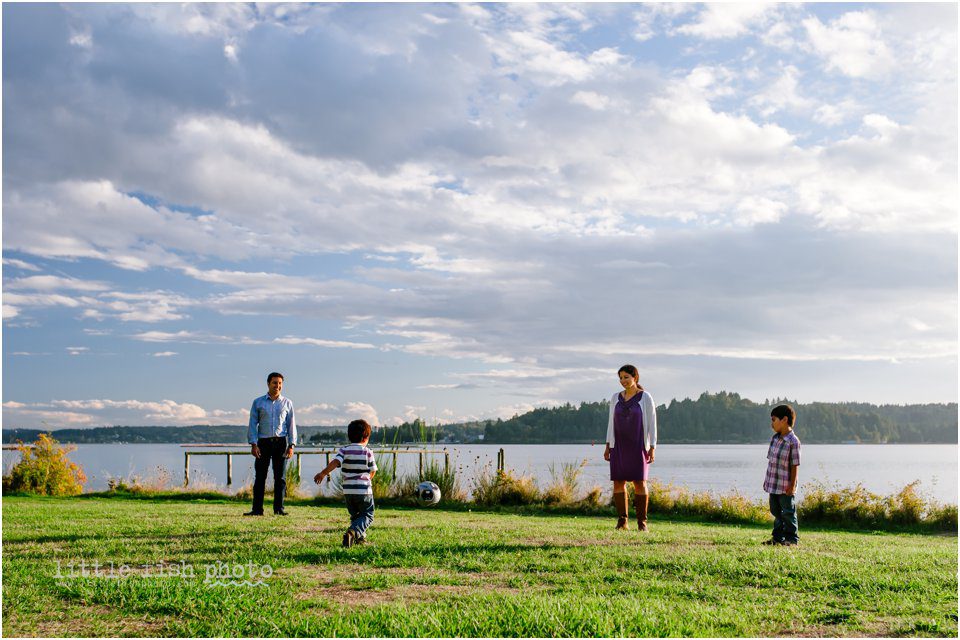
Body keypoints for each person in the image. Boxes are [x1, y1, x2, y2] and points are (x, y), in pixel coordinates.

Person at [603, 364, 657, 531]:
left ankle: (642, 523)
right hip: (618, 445)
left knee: (640, 482)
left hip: (638, 446)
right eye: (620, 378)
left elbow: (653, 423)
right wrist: (607, 446)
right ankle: (622, 522)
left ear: (635, 377)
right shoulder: (615, 398)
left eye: (626, 377)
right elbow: (610, 423)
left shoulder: (645, 397)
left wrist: (652, 446)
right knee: (618, 482)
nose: (623, 381)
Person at [313, 419, 378, 548]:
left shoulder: (344, 450)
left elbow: (335, 463)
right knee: (368, 515)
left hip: (348, 492)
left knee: (356, 516)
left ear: (349, 436)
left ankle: (360, 538)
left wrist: (323, 473)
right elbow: (373, 471)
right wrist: (367, 480)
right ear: (366, 437)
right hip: (364, 491)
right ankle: (353, 532)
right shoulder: (368, 452)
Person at [244, 372, 296, 516]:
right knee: (260, 477)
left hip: (280, 443)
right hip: (263, 443)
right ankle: (257, 509)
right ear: (268, 383)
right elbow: (253, 424)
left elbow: (291, 425)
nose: (277, 386)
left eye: (280, 383)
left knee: (280, 478)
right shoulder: (258, 402)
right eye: (274, 383)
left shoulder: (287, 403)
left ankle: (279, 509)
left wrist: (291, 445)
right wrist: (253, 444)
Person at [763, 404, 801, 546]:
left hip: (785, 486)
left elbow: (795, 465)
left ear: (784, 420)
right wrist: (766, 481)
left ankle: (792, 539)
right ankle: (778, 538)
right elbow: (771, 462)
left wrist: (791, 485)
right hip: (773, 483)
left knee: (788, 512)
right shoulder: (775, 439)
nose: (772, 424)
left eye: (774, 420)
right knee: (776, 511)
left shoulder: (793, 442)